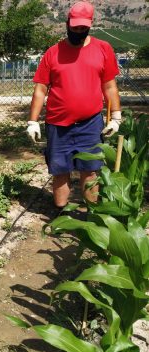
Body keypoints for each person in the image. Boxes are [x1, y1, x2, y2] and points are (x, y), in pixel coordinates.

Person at [27, 1, 122, 209]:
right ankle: (62, 214)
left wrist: (116, 116)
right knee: (60, 171)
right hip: (58, 125)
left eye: (83, 27)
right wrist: (32, 121)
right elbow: (41, 89)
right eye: (74, 27)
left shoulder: (103, 49)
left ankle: (92, 215)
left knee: (90, 170)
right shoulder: (53, 53)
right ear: (67, 23)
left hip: (90, 123)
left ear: (90, 25)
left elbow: (110, 86)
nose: (78, 31)